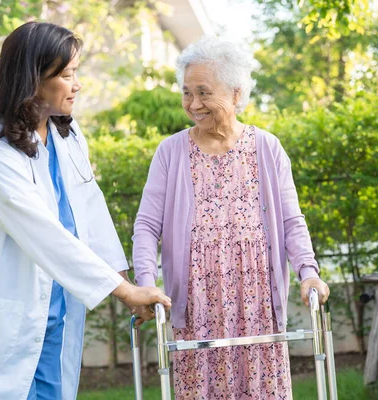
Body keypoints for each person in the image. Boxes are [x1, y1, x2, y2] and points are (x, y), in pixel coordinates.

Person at [0, 22, 170, 400]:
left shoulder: (65, 131)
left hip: (55, 307)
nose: (77, 85)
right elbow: (40, 231)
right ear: (32, 80)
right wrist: (124, 292)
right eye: (66, 75)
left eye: (75, 73)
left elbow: (88, 206)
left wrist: (124, 280)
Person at [132, 36, 330, 398]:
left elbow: (290, 221)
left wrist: (308, 272)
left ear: (236, 94)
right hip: (196, 305)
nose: (194, 104)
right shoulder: (170, 152)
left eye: (204, 92)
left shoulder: (267, 147)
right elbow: (147, 225)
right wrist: (146, 282)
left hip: (257, 303)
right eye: (187, 93)